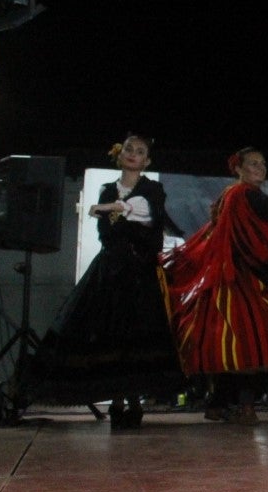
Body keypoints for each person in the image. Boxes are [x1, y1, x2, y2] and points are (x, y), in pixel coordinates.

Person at [161, 147, 268, 425]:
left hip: (232, 280)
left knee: (238, 346)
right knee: (257, 343)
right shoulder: (243, 194)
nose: (261, 168)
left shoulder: (229, 196)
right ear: (238, 169)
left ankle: (218, 404)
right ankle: (245, 407)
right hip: (245, 280)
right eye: (253, 163)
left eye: (263, 163)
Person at [28, 134, 182, 428]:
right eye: (129, 149)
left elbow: (148, 218)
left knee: (137, 334)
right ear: (119, 155)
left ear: (147, 161)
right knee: (109, 334)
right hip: (111, 270)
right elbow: (106, 232)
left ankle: (134, 399)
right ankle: (118, 400)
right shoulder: (108, 190)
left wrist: (114, 210)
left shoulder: (152, 190)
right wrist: (111, 213)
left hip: (140, 272)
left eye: (140, 151)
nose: (133, 154)